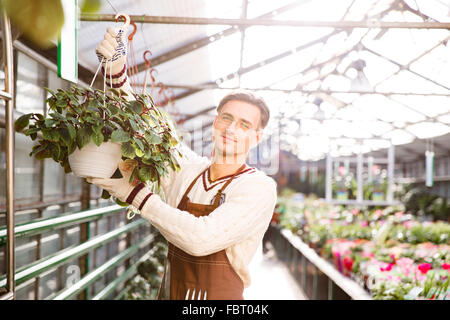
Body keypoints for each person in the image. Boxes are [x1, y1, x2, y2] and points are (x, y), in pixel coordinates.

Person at [88, 27, 278, 300]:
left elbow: (201, 239)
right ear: (215, 122)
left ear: (256, 137)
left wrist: (136, 195)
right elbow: (151, 130)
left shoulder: (257, 187)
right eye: (226, 118)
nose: (231, 129)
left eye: (244, 124)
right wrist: (118, 77)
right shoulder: (189, 169)